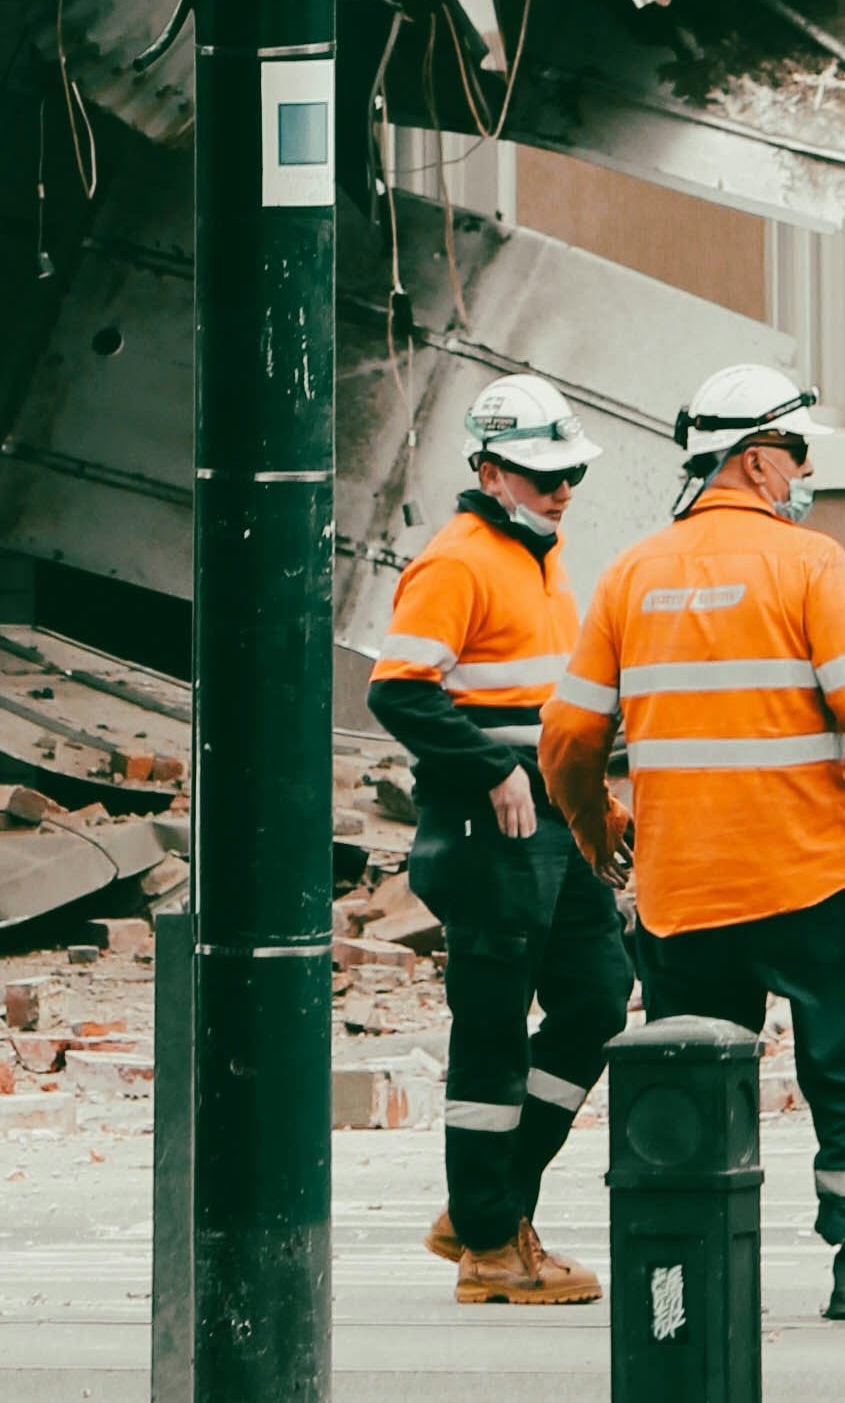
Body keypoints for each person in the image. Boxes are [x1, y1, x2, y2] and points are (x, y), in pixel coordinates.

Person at [538, 363, 845, 1322]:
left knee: (689, 1082)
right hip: (808, 878)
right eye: (799, 451)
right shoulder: (810, 564)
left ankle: (682, 1285)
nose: (806, 469)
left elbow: (567, 737)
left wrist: (595, 823)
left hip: (683, 888)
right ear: (757, 458)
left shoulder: (631, 573)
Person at [369, 375, 633, 1306]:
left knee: (599, 999)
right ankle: (489, 1245)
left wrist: (595, 788)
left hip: (555, 824)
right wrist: (491, 766)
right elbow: (398, 689)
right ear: (490, 471)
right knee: (490, 1031)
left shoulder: (540, 555)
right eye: (542, 474)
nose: (563, 489)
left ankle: (488, 1203)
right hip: (492, 828)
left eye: (570, 473)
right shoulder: (458, 562)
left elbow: (549, 702)